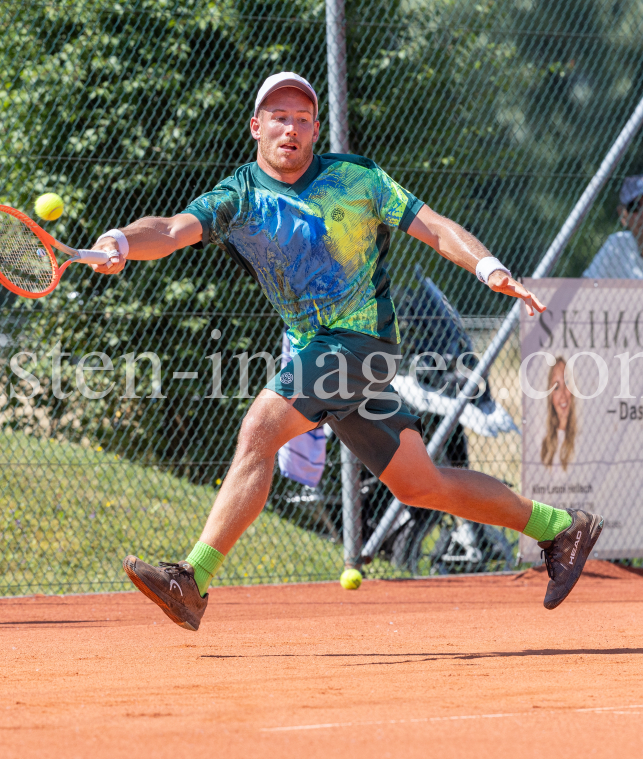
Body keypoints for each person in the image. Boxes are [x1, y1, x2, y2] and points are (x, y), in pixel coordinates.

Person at [90, 72, 604, 630]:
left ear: (315, 131)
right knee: (420, 484)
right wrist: (118, 242)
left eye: (303, 118)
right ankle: (561, 528)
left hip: (362, 344)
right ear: (256, 127)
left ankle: (192, 578)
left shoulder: (355, 179)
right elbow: (168, 229)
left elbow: (431, 225)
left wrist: (489, 267)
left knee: (260, 429)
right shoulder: (237, 196)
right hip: (320, 352)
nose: (291, 127)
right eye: (279, 117)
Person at [540, 357, 576, 472]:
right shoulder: (544, 444)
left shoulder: (581, 439)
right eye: (556, 387)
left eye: (567, 383)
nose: (563, 395)